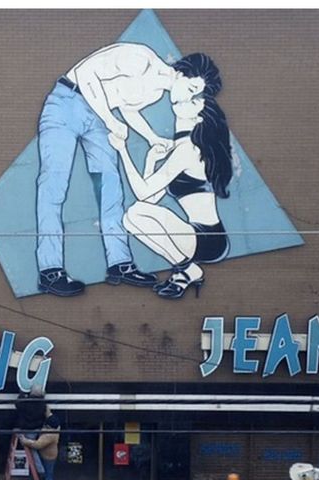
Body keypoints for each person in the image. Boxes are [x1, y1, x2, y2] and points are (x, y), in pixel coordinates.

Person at [36, 41, 207, 296]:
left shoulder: (155, 93)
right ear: (181, 73)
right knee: (54, 185)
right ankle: (50, 271)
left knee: (111, 189)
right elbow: (86, 74)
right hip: (68, 101)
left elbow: (127, 109)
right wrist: (109, 120)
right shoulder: (141, 58)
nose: (188, 97)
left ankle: (120, 264)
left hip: (98, 117)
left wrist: (151, 138)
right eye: (192, 88)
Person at [109, 53, 233, 300]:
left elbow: (142, 194)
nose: (184, 98)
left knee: (134, 215)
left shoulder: (188, 149)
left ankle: (188, 270)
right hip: (194, 236)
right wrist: (150, 160)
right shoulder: (181, 148)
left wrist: (122, 150)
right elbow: (149, 199)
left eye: (195, 97)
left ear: (200, 112)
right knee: (135, 215)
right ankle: (187, 269)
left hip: (207, 238)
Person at [19, 407, 61, 480]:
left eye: (46, 426)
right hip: (49, 454)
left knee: (47, 477)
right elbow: (49, 413)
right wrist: (43, 405)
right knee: (47, 476)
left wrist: (25, 441)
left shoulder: (49, 435)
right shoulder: (55, 424)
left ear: (49, 427)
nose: (45, 426)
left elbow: (37, 444)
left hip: (48, 458)